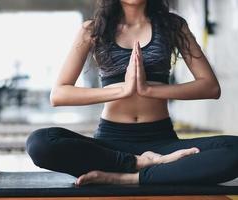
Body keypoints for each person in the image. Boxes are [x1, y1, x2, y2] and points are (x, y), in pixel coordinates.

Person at [26, 0, 238, 185]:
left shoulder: (173, 26)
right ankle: (138, 164)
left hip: (162, 143)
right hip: (110, 147)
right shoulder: (92, 30)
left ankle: (126, 178)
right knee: (40, 142)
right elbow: (59, 94)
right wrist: (122, 90)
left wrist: (150, 90)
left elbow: (210, 86)